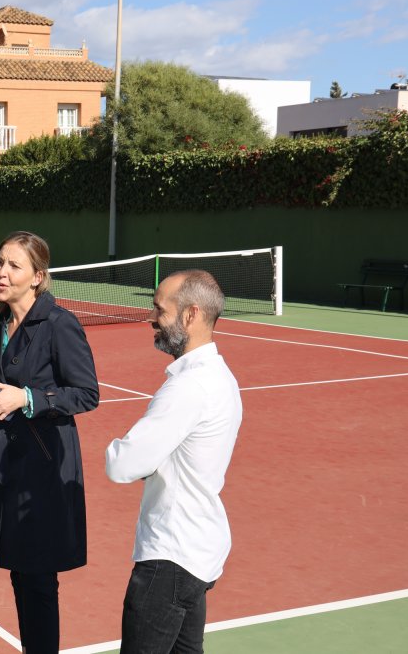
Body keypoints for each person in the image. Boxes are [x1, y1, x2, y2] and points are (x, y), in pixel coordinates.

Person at [0, 230, 99, 654]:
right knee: (21, 573)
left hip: (43, 470)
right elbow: (0, 388)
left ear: (37, 277)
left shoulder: (60, 325)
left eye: (13, 265)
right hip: (5, 462)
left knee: (38, 578)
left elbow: (86, 394)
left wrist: (28, 399)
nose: (0, 272)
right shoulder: (0, 322)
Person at [104, 269, 243, 654]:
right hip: (196, 556)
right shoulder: (221, 377)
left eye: (159, 309)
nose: (151, 318)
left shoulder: (187, 387)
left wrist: (116, 448)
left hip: (169, 560)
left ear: (190, 315)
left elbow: (122, 464)